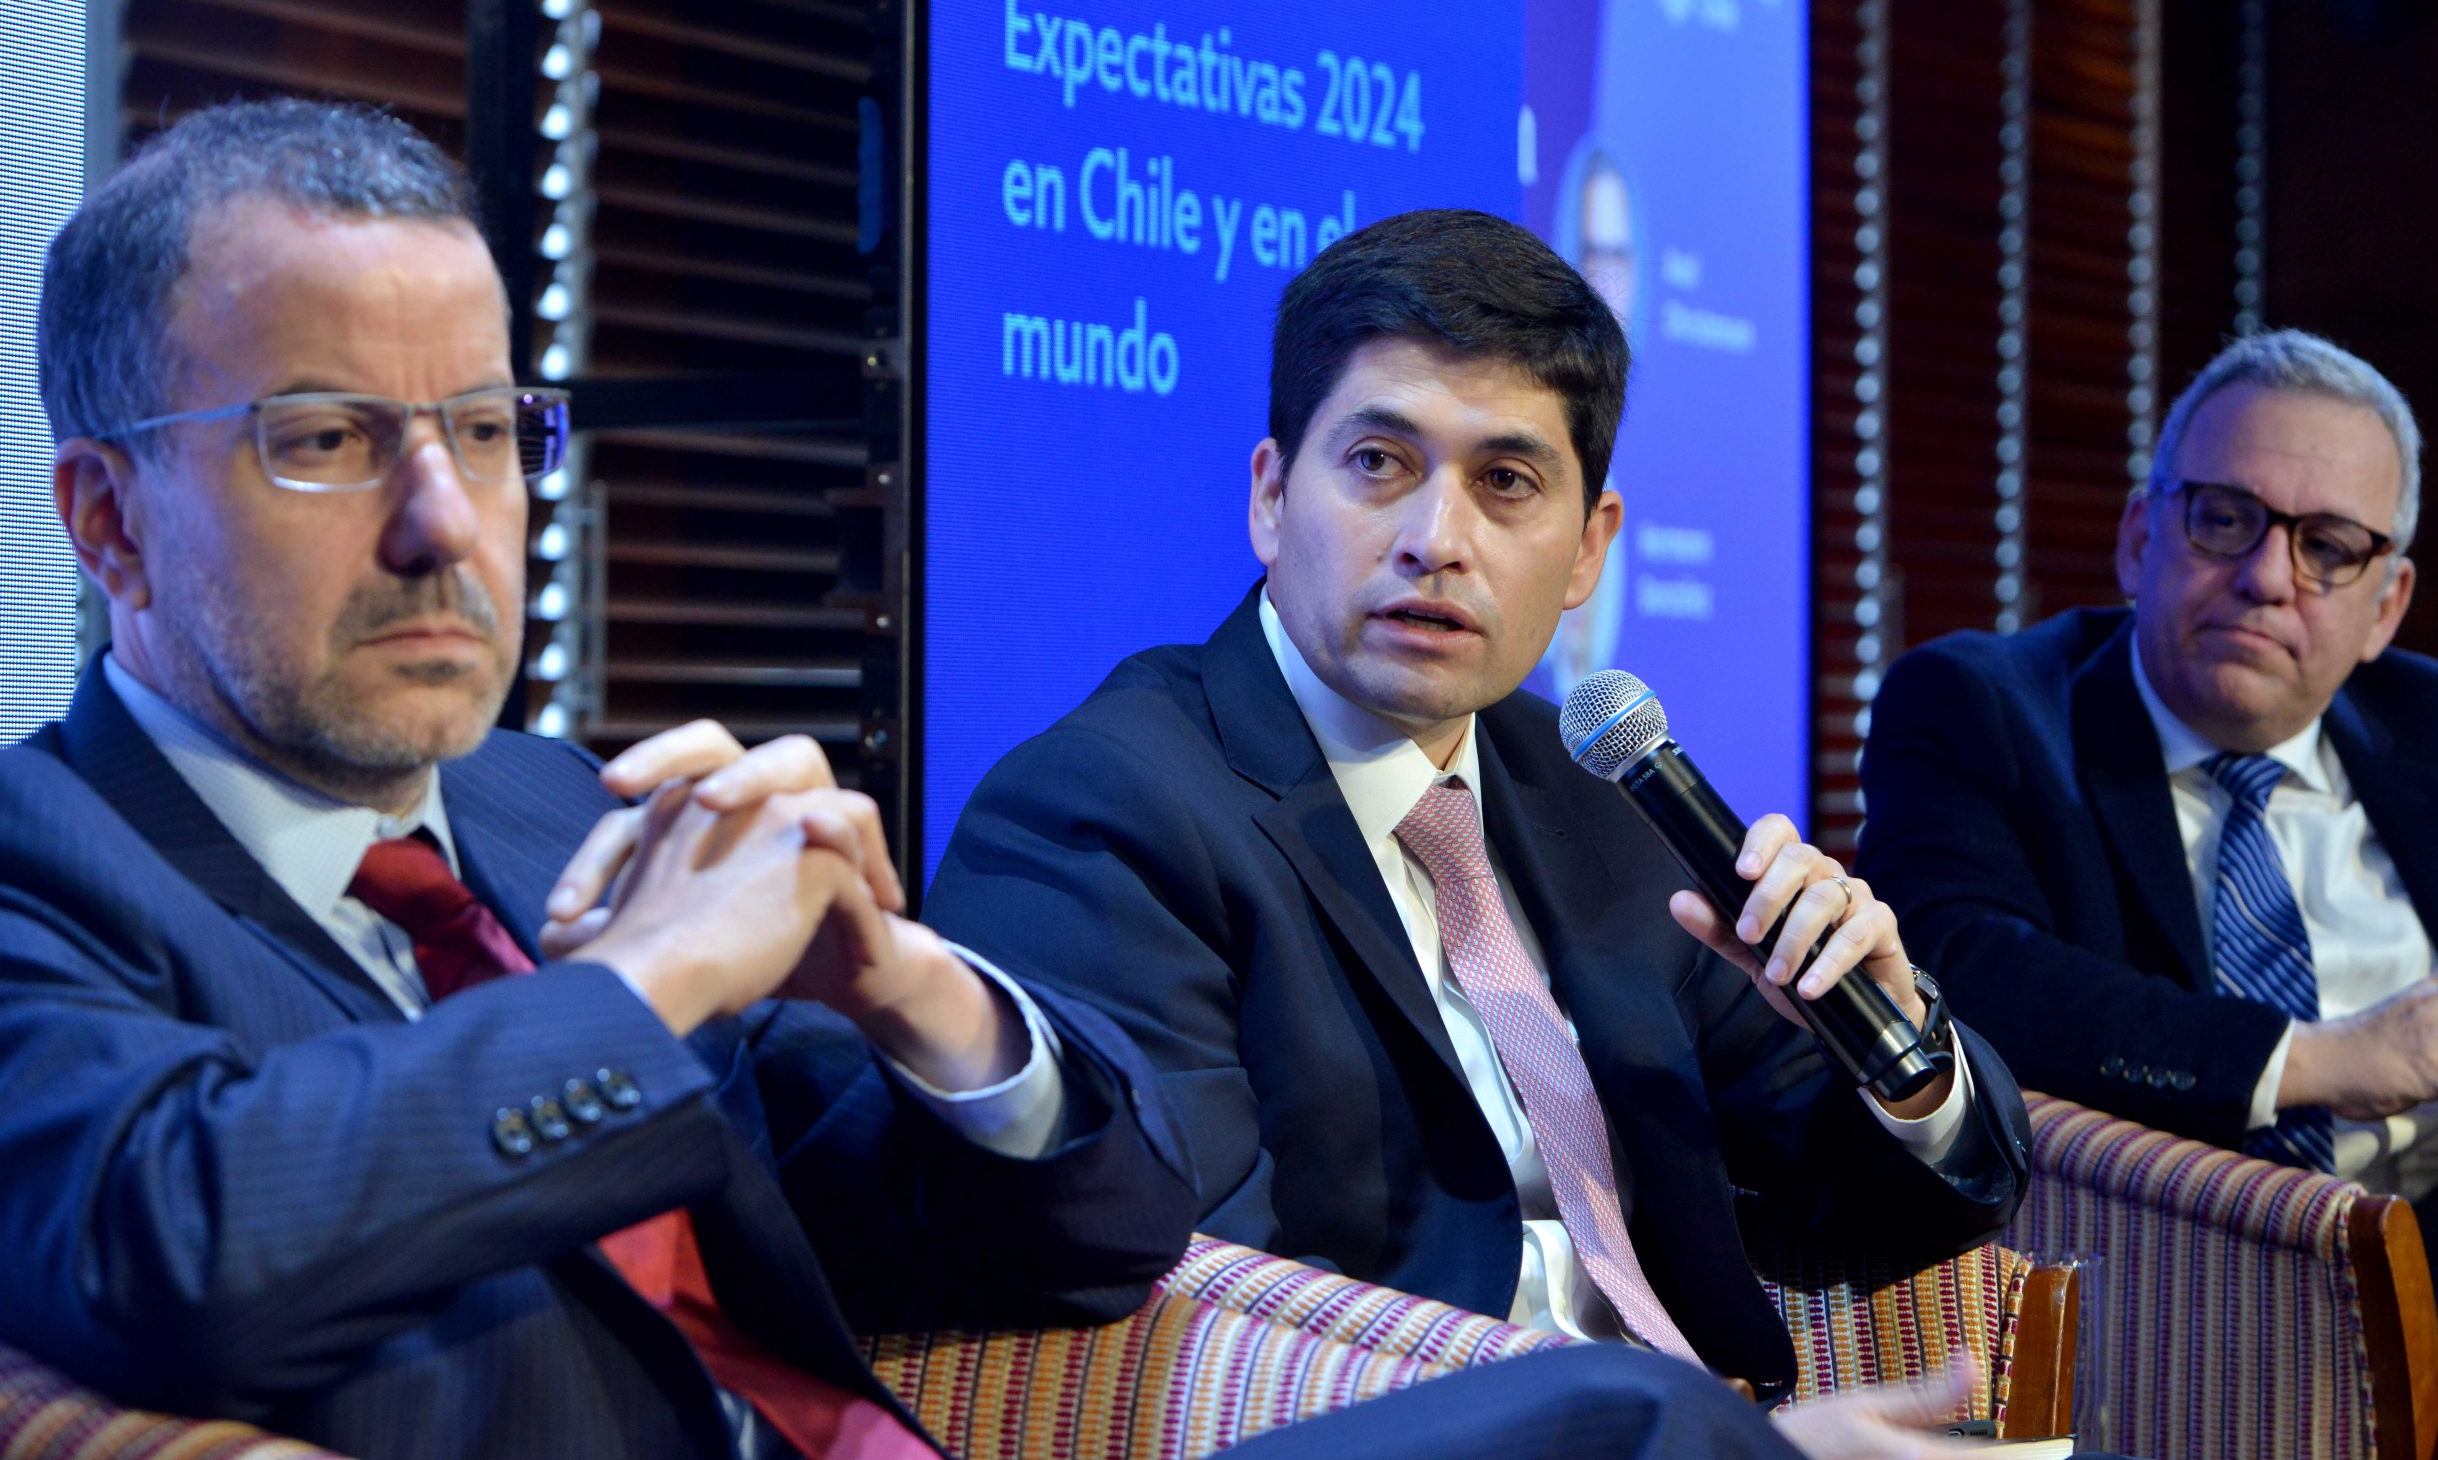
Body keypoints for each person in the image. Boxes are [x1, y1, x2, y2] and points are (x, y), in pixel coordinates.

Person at [0, 98, 1831, 1460]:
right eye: (326, 440)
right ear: (107, 518)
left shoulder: (543, 809)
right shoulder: (48, 863)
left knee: (1622, 1424)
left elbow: (1100, 1237)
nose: (441, 520)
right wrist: (646, 983)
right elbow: (181, 1242)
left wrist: (919, 996)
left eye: (485, 432)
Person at [927, 208, 2037, 1459]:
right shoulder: (1104, 809)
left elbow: (1872, 1210)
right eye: (1378, 463)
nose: (1435, 540)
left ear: (1588, 549)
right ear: (1271, 495)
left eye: (1505, 482)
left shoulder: (1596, 794)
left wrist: (1894, 1047)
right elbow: (1210, 1321)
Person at [1858, 328, 2438, 1457]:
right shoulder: (1982, 709)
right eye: (2226, 518)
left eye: (2328, 547)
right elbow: (1961, 973)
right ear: (2142, 538)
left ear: (2386, 605)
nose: (2268, 577)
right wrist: (2321, 1060)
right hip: (2211, 1277)